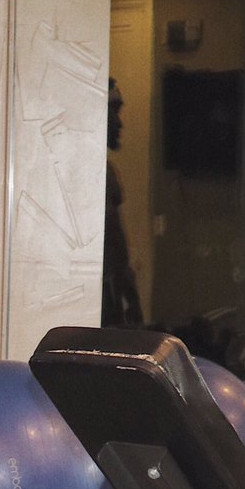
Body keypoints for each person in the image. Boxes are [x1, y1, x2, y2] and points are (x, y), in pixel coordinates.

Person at [101, 78, 144, 328]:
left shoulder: (106, 168)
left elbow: (116, 239)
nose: (119, 123)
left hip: (110, 290)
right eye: (113, 112)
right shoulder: (94, 170)